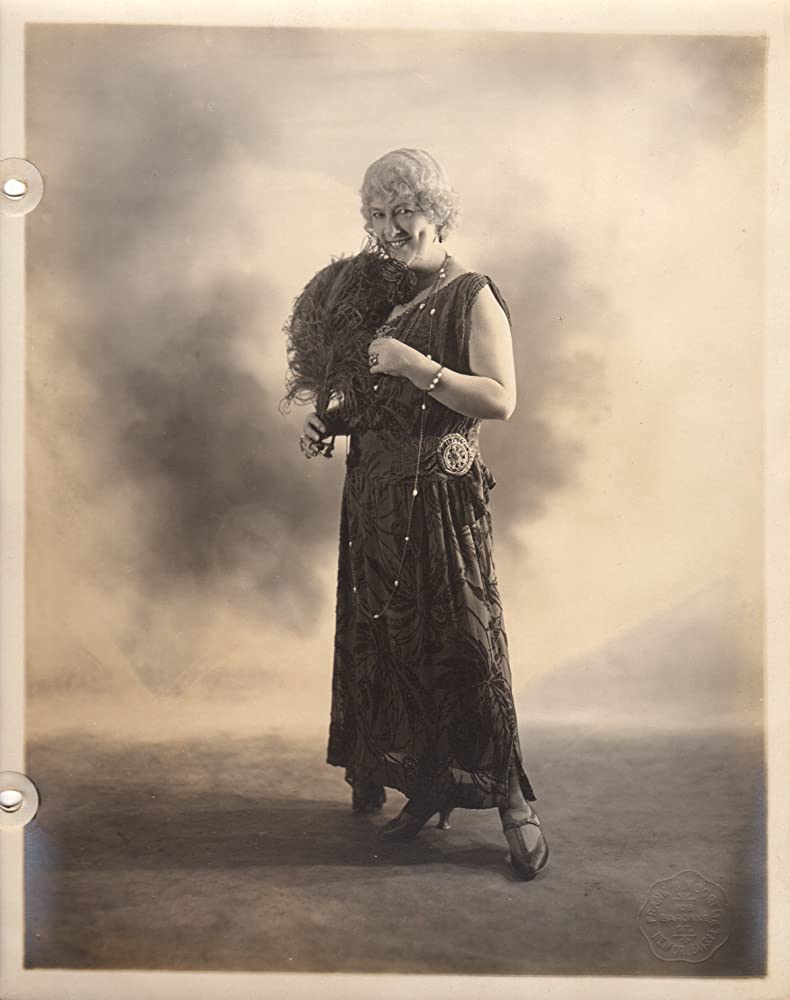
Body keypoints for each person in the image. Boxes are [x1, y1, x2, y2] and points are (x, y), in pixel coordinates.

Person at [300, 148, 548, 881]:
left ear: (437, 212)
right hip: (374, 500)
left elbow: (501, 400)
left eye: (404, 210)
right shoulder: (375, 296)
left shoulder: (471, 293)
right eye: (377, 214)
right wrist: (331, 423)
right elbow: (375, 403)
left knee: (466, 652)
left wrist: (416, 364)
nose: (389, 228)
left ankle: (514, 805)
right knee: (394, 653)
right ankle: (426, 789)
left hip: (440, 502)